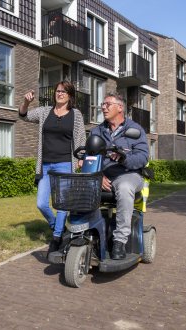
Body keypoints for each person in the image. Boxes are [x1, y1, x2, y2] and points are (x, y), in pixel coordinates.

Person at [19, 81, 86, 255]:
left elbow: (80, 137)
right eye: (58, 91)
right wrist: (26, 102)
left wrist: (81, 158)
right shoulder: (44, 112)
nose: (60, 93)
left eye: (64, 91)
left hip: (65, 163)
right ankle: (58, 226)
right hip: (46, 165)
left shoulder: (76, 114)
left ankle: (56, 238)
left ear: (70, 95)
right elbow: (24, 116)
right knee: (41, 203)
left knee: (62, 203)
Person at [89, 93, 149, 260]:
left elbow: (143, 158)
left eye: (107, 104)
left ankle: (119, 241)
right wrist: (98, 175)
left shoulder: (135, 130)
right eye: (103, 104)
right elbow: (90, 157)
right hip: (102, 176)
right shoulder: (97, 131)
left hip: (128, 174)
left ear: (120, 108)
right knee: (78, 184)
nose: (103, 107)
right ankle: (83, 233)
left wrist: (125, 159)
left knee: (123, 188)